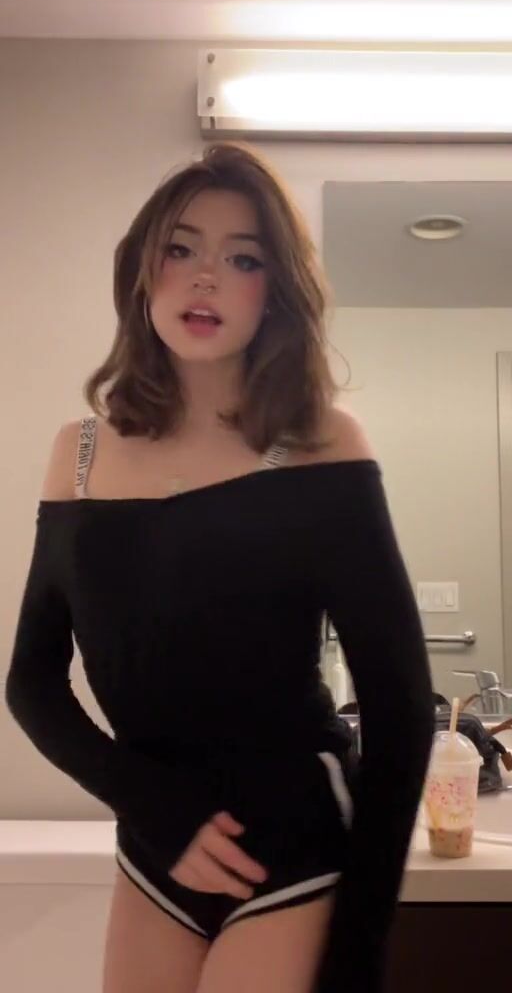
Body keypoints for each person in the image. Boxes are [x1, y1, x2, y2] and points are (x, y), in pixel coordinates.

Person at [5, 141, 435, 993]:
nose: (206, 277)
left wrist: (360, 943)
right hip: (157, 849)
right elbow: (32, 683)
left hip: (294, 847)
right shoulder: (78, 454)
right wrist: (151, 807)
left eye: (243, 259)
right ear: (142, 270)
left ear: (273, 292)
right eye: (181, 248)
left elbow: (399, 707)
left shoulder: (321, 446)